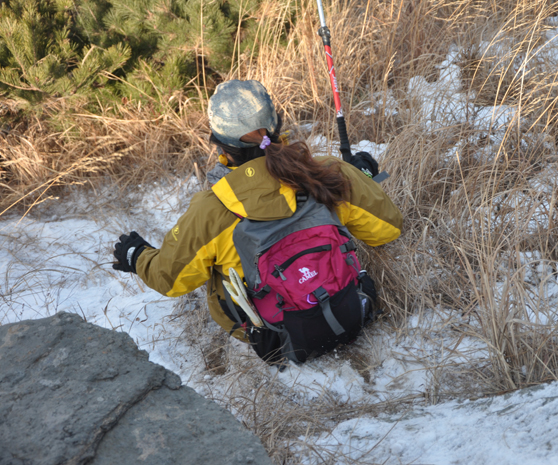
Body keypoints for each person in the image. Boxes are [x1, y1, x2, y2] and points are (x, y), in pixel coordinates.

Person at [113, 79, 403, 363]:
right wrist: (360, 177)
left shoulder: (210, 210)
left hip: (275, 337)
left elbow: (170, 280)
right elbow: (387, 229)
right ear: (276, 125)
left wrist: (137, 256)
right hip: (349, 307)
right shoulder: (328, 173)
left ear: (220, 145)